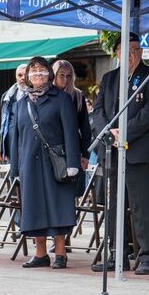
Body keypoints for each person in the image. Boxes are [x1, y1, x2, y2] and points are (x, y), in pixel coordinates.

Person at [91, 33, 149, 275]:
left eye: (136, 49)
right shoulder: (109, 78)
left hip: (139, 151)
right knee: (114, 206)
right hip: (112, 152)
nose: (132, 54)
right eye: (127, 50)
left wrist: (124, 132)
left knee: (142, 205)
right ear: (117, 53)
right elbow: (99, 110)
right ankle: (116, 255)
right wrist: (109, 132)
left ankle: (147, 257)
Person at [10, 57, 81, 269]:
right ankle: (40, 254)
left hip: (55, 164)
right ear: (29, 76)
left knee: (58, 207)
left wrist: (73, 162)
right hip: (29, 164)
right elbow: (16, 137)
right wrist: (15, 167)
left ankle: (60, 254)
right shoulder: (22, 103)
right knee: (34, 208)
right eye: (34, 70)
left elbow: (71, 132)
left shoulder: (61, 99)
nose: (38, 74)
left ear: (49, 74)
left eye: (42, 70)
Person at [53, 60, 91, 200]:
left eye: (69, 76)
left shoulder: (77, 96)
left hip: (72, 150)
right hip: (51, 151)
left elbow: (85, 128)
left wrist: (85, 154)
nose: (65, 79)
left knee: (70, 194)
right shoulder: (46, 95)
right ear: (54, 75)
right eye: (61, 75)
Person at [0, 64, 27, 162]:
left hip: (30, 144)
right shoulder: (7, 96)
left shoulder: (37, 95)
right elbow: (4, 124)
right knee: (14, 175)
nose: (22, 78)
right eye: (20, 75)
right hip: (12, 145)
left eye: (25, 75)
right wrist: (4, 149)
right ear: (16, 77)